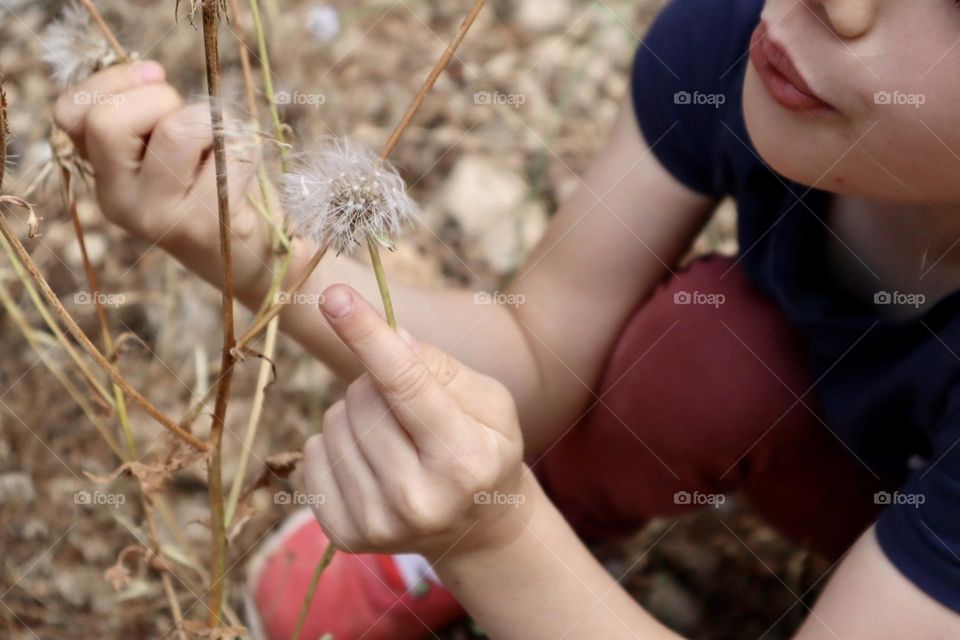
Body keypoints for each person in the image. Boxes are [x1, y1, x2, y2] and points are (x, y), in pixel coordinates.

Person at [53, 0, 960, 637]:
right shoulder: (747, 44)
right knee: (706, 355)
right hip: (877, 477)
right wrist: (244, 238)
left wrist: (494, 543)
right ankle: (562, 512)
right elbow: (533, 355)